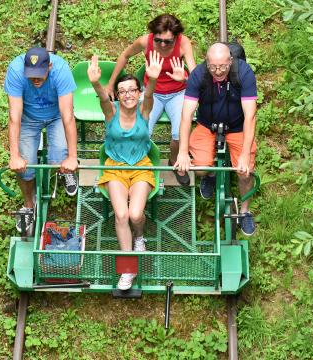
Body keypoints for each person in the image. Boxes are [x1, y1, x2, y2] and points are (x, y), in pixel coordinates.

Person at [88, 51, 163, 290]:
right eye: (123, 91)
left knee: (135, 215)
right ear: (118, 96)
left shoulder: (144, 111)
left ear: (138, 93)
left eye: (132, 90)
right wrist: (95, 83)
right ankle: (128, 269)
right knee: (121, 215)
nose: (128, 95)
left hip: (140, 167)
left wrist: (151, 79)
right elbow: (102, 99)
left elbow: (150, 95)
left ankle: (139, 236)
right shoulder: (112, 113)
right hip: (115, 168)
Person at [175, 43, 258, 236]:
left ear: (231, 61)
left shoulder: (244, 73)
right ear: (206, 62)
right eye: (213, 67)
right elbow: (186, 115)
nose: (218, 71)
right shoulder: (198, 74)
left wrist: (245, 154)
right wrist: (182, 151)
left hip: (237, 126)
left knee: (245, 173)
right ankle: (210, 175)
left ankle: (245, 211)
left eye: (222, 66)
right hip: (207, 124)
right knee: (201, 167)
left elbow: (250, 116)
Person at [105, 14, 196, 186]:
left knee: (178, 135)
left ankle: (174, 161)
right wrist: (111, 84)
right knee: (142, 129)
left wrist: (184, 78)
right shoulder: (145, 42)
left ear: (176, 38)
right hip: (152, 92)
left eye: (168, 42)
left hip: (177, 93)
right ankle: (140, 166)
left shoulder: (184, 44)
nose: (162, 45)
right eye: (158, 40)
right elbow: (125, 56)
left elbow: (196, 77)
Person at [4, 47, 79, 234]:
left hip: (56, 117)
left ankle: (65, 171)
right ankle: (28, 204)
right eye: (31, 75)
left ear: (50, 66)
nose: (35, 79)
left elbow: (68, 116)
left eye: (40, 74)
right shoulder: (15, 71)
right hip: (29, 118)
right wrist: (14, 155)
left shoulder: (61, 70)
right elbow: (14, 116)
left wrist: (72, 156)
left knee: (59, 160)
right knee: (25, 169)